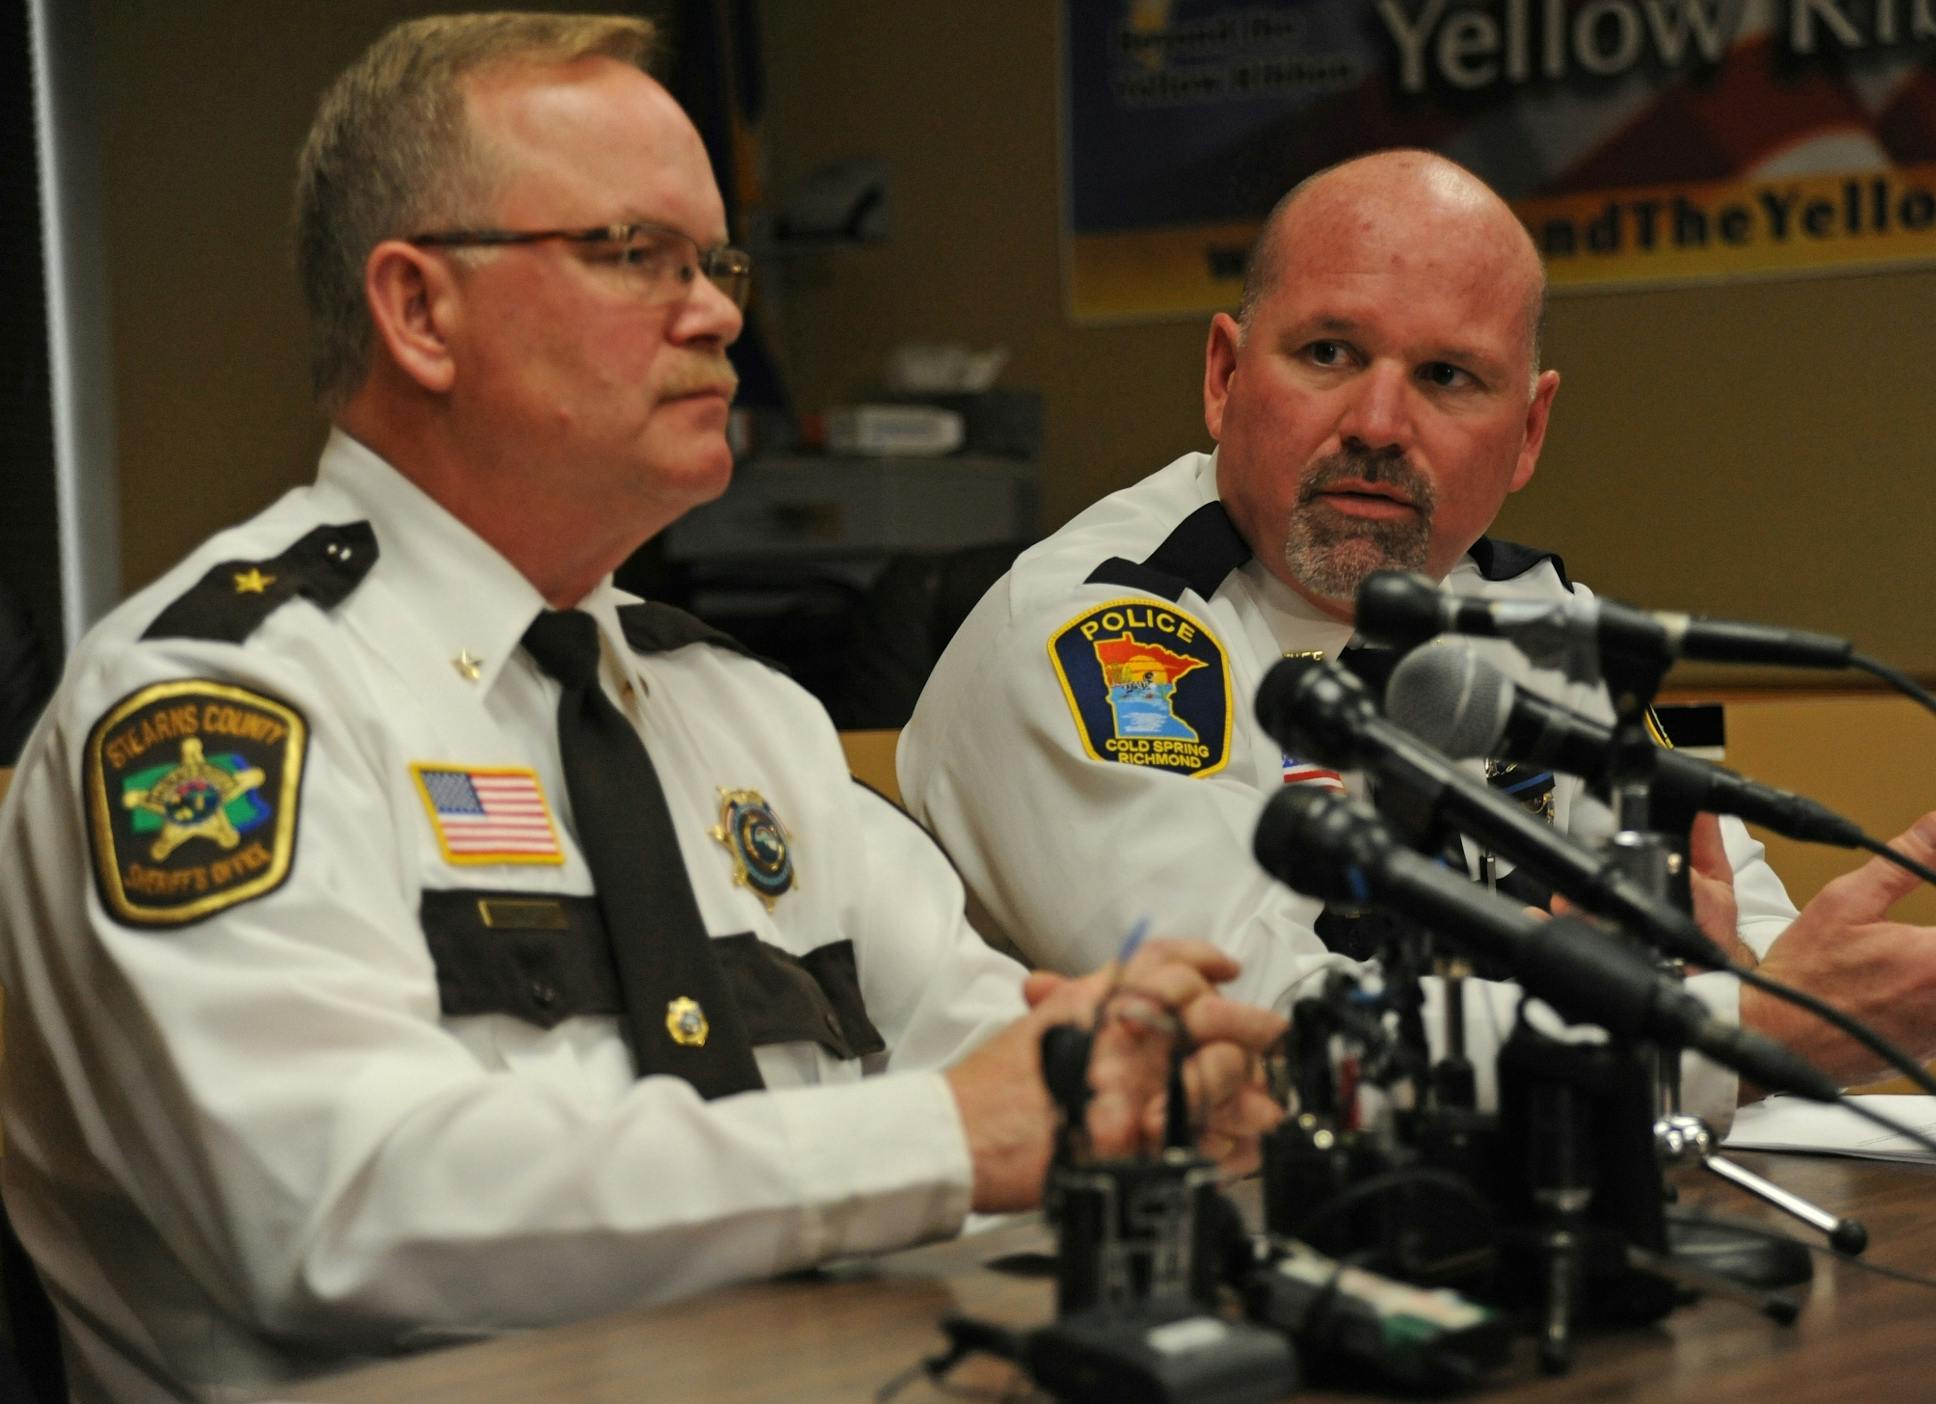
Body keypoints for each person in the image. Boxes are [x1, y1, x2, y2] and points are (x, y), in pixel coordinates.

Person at [0, 16, 1281, 1403]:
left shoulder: (742, 717)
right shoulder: (220, 704)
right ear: (419, 311)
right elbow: (335, 1211)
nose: (719, 313)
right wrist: (941, 1141)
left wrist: (1137, 1087)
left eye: (715, 263)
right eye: (632, 254)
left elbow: (990, 1056)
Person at [899, 148, 1936, 1110]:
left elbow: (1734, 939)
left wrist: (1781, 987)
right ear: (1224, 376)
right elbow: (1256, 1034)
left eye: (1448, 378)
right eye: (1328, 353)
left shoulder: (1537, 619)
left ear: (1528, 433)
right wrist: (1735, 1032)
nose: (1379, 424)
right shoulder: (1102, 635)